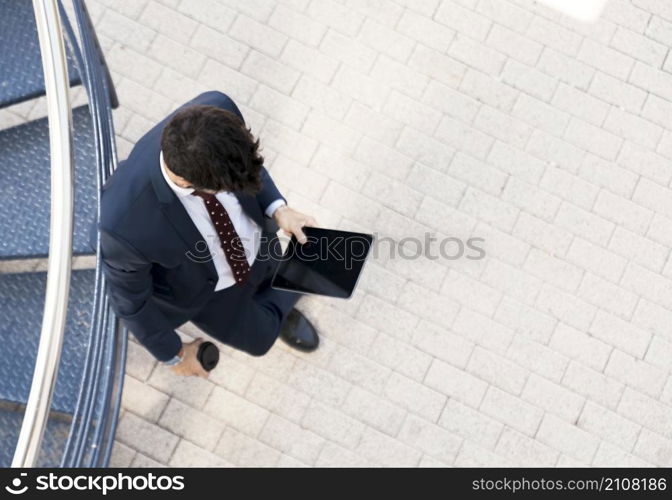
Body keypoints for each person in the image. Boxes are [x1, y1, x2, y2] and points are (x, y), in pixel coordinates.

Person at [97, 90, 319, 378]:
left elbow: (247, 167)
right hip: (209, 294)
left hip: (258, 243)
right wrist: (174, 354)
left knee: (276, 274)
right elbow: (130, 301)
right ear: (192, 184)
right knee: (260, 338)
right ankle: (282, 307)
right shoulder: (123, 227)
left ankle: (284, 302)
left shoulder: (216, 109)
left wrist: (278, 210)